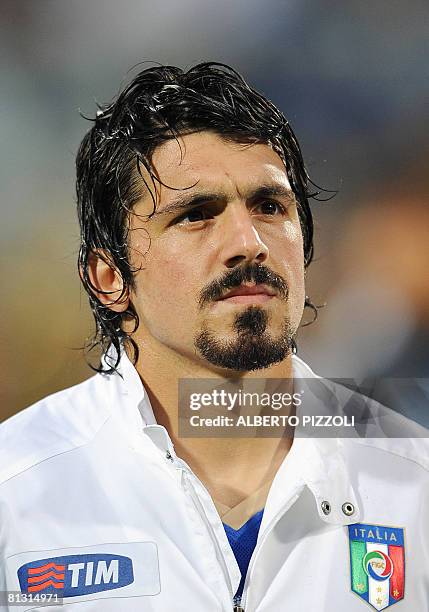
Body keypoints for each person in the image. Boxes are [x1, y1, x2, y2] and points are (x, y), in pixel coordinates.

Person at [0, 62, 428, 612]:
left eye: (270, 207)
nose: (248, 243)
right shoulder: (16, 490)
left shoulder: (412, 479)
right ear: (109, 278)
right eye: (196, 215)